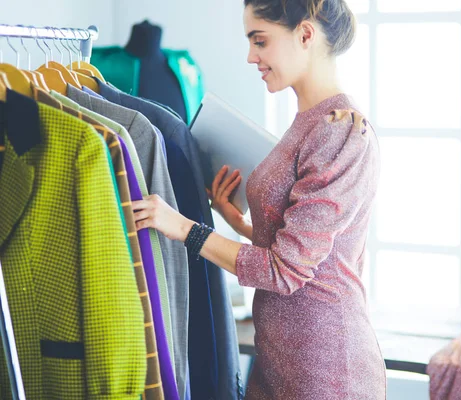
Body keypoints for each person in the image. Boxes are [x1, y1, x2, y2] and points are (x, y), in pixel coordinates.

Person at [132, 0, 386, 398]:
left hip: (326, 369)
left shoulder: (341, 133)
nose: (251, 56)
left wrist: (182, 228)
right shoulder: (309, 119)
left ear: (305, 35)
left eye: (260, 41)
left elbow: (286, 271)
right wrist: (241, 224)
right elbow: (309, 249)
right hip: (281, 359)